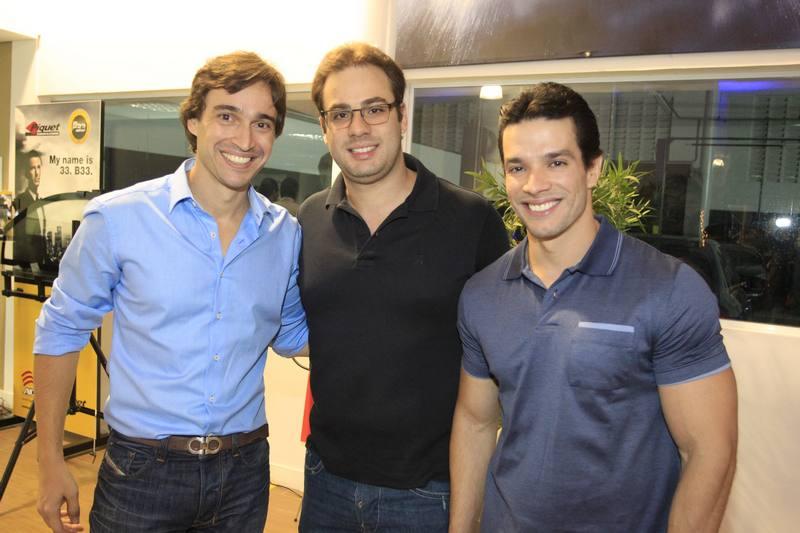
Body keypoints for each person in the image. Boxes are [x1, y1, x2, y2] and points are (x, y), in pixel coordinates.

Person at [33, 51, 308, 533]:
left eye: (262, 123)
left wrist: (388, 320)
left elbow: (291, 336)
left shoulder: (284, 234)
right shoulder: (118, 219)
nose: (245, 140)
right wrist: (50, 458)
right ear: (194, 121)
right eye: (227, 116)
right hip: (142, 473)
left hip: (244, 473)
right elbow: (60, 331)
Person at [450, 82, 738, 532]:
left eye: (556, 162)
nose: (534, 185)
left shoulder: (668, 289)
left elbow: (709, 452)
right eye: (518, 167)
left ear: (593, 168)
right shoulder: (482, 293)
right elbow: (476, 422)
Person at [297, 43, 509, 532]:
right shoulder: (309, 219)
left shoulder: (470, 220)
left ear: (401, 116)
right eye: (341, 114)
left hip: (429, 492)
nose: (358, 127)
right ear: (325, 127)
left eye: (374, 109)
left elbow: (503, 359)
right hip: (326, 481)